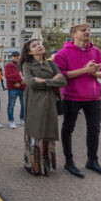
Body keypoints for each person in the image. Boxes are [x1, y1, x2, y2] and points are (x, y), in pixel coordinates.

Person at [54, 23, 101, 179]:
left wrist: (96, 74)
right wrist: (86, 70)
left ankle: (92, 161)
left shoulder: (96, 51)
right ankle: (69, 162)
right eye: (83, 30)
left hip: (94, 97)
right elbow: (60, 76)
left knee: (94, 130)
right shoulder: (63, 53)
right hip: (72, 97)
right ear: (74, 34)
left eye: (89, 30)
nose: (88, 32)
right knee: (68, 129)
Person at [20, 39, 67, 176]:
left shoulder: (52, 64)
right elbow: (31, 83)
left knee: (48, 132)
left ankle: (46, 166)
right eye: (34, 46)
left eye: (39, 44)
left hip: (50, 103)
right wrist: (53, 81)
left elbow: (63, 81)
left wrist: (44, 81)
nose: (39, 46)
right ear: (29, 52)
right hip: (35, 103)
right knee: (36, 133)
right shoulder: (27, 65)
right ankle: (34, 166)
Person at [5, 51, 26, 129]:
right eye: (15, 56)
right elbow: (9, 76)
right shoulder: (8, 66)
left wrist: (21, 83)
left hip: (23, 88)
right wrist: (21, 80)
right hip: (13, 88)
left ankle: (22, 119)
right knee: (11, 105)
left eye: (18, 55)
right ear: (12, 57)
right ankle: (11, 120)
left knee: (24, 105)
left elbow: (27, 75)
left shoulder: (23, 65)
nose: (16, 57)